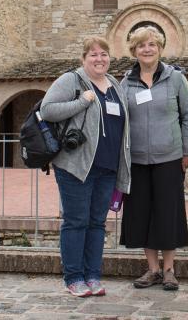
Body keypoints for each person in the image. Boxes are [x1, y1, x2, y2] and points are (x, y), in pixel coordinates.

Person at [40, 36, 131, 298]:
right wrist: (83, 102)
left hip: (107, 167)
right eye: (93, 54)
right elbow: (48, 110)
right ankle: (74, 277)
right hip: (76, 166)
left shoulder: (114, 84)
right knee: (76, 221)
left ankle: (93, 276)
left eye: (104, 54)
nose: (99, 59)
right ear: (83, 58)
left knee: (97, 223)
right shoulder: (72, 80)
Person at [120, 26, 188, 291]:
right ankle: (152, 269)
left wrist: (187, 152)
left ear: (160, 48)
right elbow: (120, 119)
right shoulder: (126, 82)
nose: (147, 49)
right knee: (142, 214)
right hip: (137, 161)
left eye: (152, 44)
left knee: (167, 214)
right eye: (141, 45)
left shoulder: (175, 78)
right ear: (134, 50)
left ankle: (169, 270)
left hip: (169, 158)